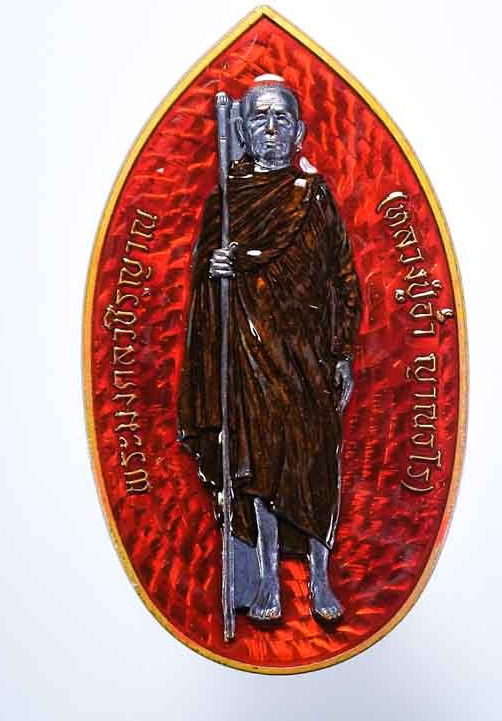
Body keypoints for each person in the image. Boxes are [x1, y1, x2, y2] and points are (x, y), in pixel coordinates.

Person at [177, 79, 362, 623]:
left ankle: (321, 580)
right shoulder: (227, 200)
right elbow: (203, 290)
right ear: (243, 129)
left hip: (308, 355)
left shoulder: (314, 195)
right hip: (250, 355)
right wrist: (214, 269)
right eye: (260, 118)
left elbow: (342, 277)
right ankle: (268, 583)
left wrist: (342, 352)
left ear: (299, 131)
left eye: (282, 118)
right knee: (258, 467)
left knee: (313, 466)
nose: (272, 128)